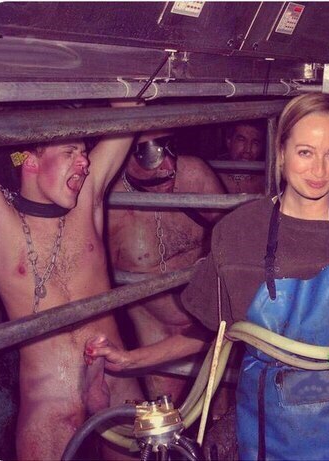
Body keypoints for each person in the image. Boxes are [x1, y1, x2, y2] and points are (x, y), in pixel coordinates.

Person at [85, 93, 329, 460]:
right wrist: (132, 360)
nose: (319, 170)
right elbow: (215, 333)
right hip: (269, 434)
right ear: (281, 152)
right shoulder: (238, 232)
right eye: (305, 152)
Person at [0, 103, 144, 460]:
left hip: (116, 380)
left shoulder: (86, 200)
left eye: (84, 153)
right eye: (70, 152)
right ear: (30, 162)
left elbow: (130, 110)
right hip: (50, 405)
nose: (84, 162)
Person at [106, 129, 225, 403]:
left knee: (221, 409)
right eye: (152, 155)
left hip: (213, 324)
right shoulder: (111, 205)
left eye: (171, 149)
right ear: (125, 155)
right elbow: (97, 282)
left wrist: (211, 261)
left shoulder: (193, 174)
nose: (169, 166)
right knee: (163, 414)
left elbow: (230, 230)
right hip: (157, 332)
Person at [218, 121, 266, 194]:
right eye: (241, 140)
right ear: (229, 141)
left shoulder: (267, 183)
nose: (248, 150)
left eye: (255, 143)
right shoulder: (214, 178)